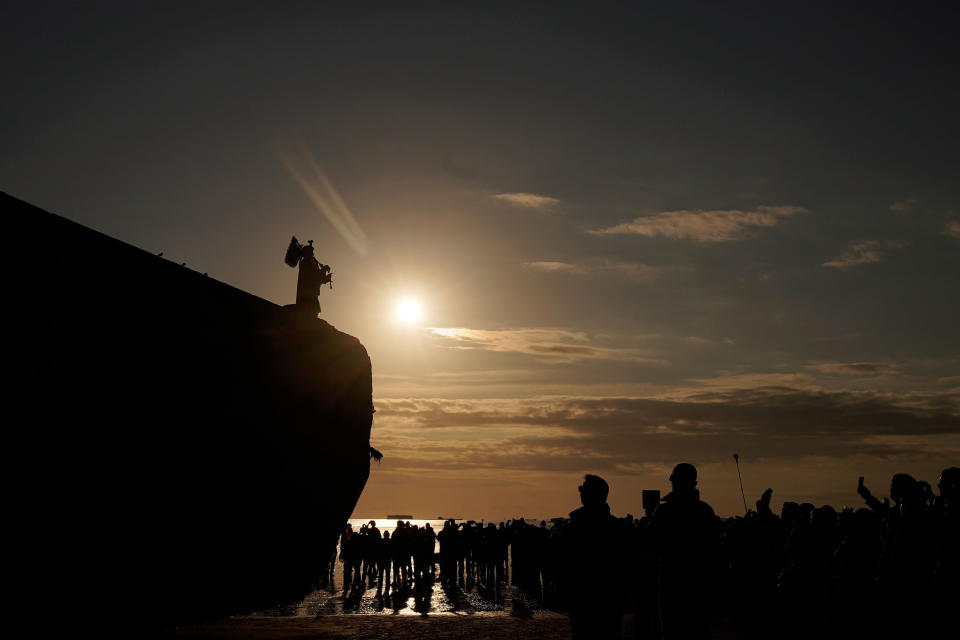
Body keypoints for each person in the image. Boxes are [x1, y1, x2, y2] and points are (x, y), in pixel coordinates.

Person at [647, 463, 718, 640]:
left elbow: (649, 544)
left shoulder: (664, 510)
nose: (671, 480)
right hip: (699, 583)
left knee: (673, 632)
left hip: (672, 581)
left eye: (674, 478)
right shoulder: (705, 511)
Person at [560, 474, 628, 640]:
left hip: (584, 598)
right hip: (610, 599)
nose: (580, 493)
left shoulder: (574, 527)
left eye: (583, 490)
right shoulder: (618, 527)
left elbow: (563, 563)